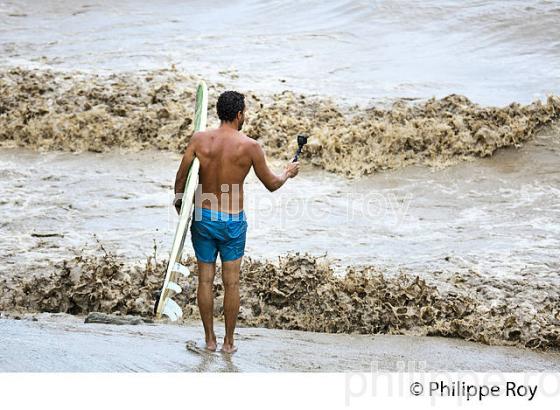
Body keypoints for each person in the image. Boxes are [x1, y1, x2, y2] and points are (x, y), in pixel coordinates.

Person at [174, 91, 299, 353]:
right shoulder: (250, 146)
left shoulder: (199, 140)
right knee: (232, 283)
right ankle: (229, 344)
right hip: (232, 221)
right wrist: (287, 172)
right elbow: (272, 184)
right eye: (245, 113)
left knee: (205, 281)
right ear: (239, 114)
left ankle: (209, 341)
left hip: (203, 217)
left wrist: (181, 208)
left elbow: (181, 179)